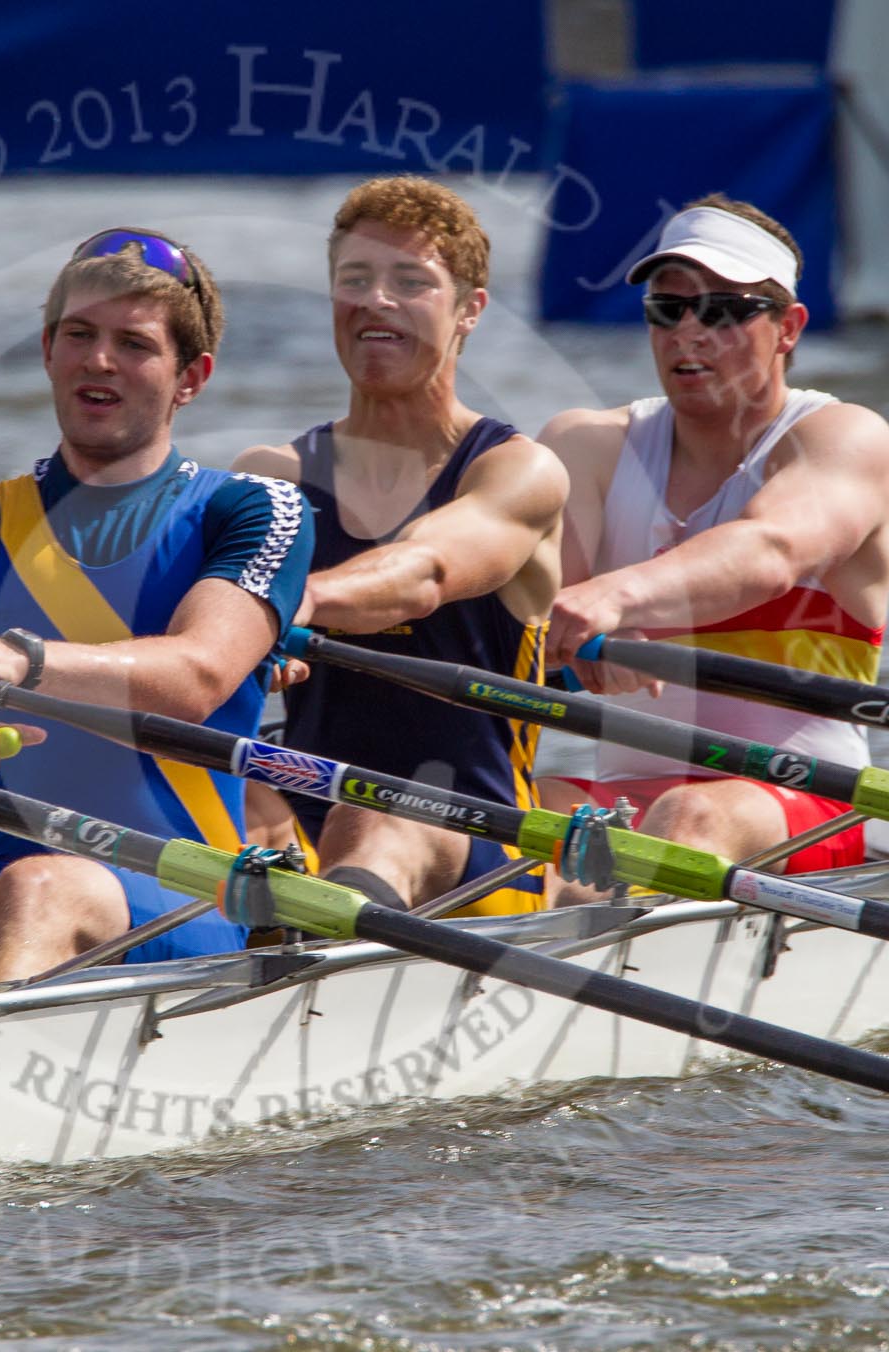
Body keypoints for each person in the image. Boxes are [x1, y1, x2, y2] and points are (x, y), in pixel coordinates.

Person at [0, 229, 314, 986]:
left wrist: (18, 660)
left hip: (179, 882)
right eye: (80, 335)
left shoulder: (256, 510)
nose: (99, 360)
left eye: (133, 344)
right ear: (47, 349)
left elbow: (198, 676)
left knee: (43, 887)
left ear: (190, 377)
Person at [535, 194, 889, 895]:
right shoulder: (589, 445)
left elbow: (771, 550)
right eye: (668, 310)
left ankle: (570, 958)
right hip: (628, 795)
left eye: (724, 311)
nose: (688, 333)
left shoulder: (842, 438)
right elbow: (528, 606)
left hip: (813, 802)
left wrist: (616, 593)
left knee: (691, 813)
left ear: (788, 327)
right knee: (503, 812)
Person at [235, 176, 566, 913]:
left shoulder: (516, 472)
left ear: (468, 311)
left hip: (486, 849)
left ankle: (312, 964)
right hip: (308, 829)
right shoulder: (270, 479)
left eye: (409, 281)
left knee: (375, 817)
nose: (376, 299)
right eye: (355, 279)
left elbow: (422, 573)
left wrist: (284, 602)